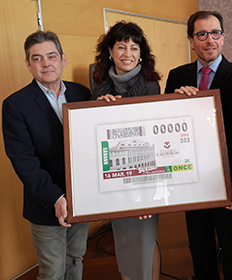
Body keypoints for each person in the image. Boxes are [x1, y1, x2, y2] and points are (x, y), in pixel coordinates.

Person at [165, 11, 232, 280]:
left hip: (227, 179)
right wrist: (174, 102)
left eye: (215, 33)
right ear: (191, 40)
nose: (210, 40)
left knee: (230, 246)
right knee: (198, 245)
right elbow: (166, 129)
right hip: (189, 176)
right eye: (202, 34)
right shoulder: (176, 77)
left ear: (223, 37)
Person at [2, 31, 91, 280]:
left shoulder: (83, 93)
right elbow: (23, 160)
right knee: (52, 270)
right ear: (29, 65)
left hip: (82, 199)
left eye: (51, 56)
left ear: (63, 59)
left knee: (76, 259)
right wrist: (56, 198)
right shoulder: (15, 105)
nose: (46, 63)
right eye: (37, 58)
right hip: (46, 202)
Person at [91, 21, 161, 280]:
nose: (127, 54)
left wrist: (144, 191)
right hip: (115, 181)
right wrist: (96, 109)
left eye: (134, 47)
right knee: (123, 242)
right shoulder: (98, 84)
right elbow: (96, 135)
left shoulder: (151, 86)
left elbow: (152, 137)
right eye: (121, 46)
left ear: (141, 52)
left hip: (145, 175)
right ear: (110, 50)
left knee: (145, 239)